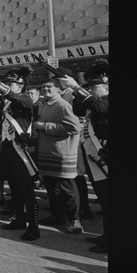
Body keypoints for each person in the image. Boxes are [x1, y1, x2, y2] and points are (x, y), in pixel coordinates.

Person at [0, 66, 42, 241]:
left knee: (27, 189)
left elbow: (13, 97)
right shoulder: (7, 102)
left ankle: (34, 226)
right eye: (7, 83)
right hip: (8, 148)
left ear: (21, 86)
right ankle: (19, 219)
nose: (9, 85)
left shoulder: (25, 99)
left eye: (12, 83)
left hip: (22, 149)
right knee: (14, 188)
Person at [60, 62, 108, 251]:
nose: (91, 90)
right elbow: (79, 110)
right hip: (94, 154)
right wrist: (77, 92)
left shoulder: (105, 101)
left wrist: (75, 87)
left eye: (93, 87)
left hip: (106, 154)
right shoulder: (93, 103)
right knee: (103, 197)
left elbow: (99, 106)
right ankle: (106, 236)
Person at [33, 79, 83, 233]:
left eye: (49, 87)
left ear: (59, 90)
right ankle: (58, 216)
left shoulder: (62, 105)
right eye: (43, 87)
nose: (45, 89)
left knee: (67, 189)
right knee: (52, 188)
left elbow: (74, 128)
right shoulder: (45, 105)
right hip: (47, 152)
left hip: (62, 153)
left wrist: (45, 126)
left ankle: (75, 221)